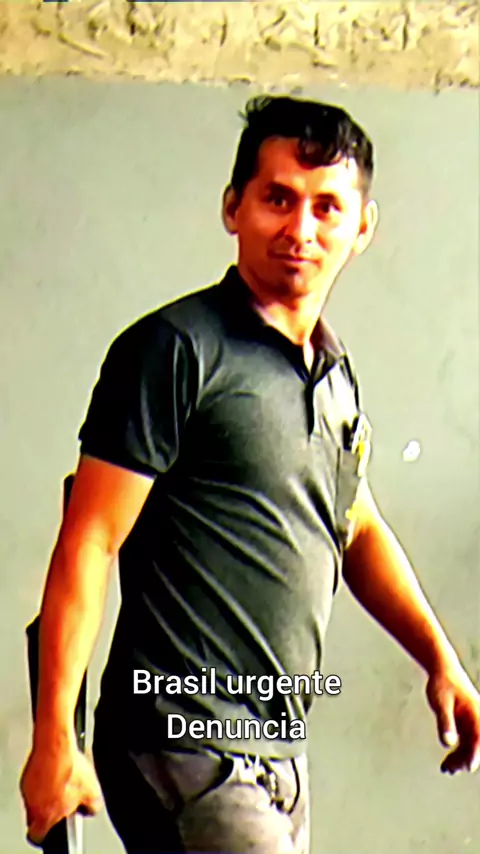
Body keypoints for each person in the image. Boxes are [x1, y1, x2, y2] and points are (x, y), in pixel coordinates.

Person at [20, 96, 480, 854]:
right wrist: (52, 741)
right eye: (278, 199)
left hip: (280, 751)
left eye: (327, 207)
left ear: (363, 227)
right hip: (178, 738)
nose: (301, 229)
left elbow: (355, 526)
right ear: (233, 207)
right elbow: (89, 539)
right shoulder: (176, 350)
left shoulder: (333, 376)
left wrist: (440, 660)